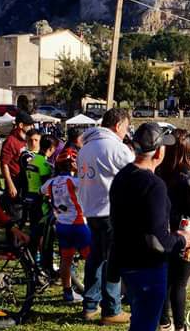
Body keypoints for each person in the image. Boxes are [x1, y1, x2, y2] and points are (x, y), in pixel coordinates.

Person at [109, 123, 190, 331]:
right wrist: (182, 238)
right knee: (145, 323)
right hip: (147, 267)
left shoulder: (122, 176)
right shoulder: (154, 184)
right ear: (158, 151)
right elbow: (157, 241)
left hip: (126, 262)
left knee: (140, 319)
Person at [77, 108, 134, 324]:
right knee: (114, 261)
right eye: (126, 128)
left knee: (96, 259)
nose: (126, 133)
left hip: (91, 210)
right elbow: (136, 172)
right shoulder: (115, 147)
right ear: (118, 125)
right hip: (111, 211)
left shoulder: (86, 147)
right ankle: (111, 310)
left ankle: (90, 306)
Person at [155, 129, 190, 331]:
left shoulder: (159, 169)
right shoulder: (187, 171)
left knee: (166, 279)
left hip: (165, 228)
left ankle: (164, 321)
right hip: (185, 230)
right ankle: (180, 325)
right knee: (179, 283)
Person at [40, 154, 91, 303]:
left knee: (66, 260)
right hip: (78, 224)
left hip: (61, 224)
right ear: (70, 165)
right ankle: (94, 293)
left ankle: (67, 292)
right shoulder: (73, 180)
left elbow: (41, 191)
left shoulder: (51, 182)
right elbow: (88, 184)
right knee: (93, 260)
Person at [0, 111, 35, 198]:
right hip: (15, 182)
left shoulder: (28, 139)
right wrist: (10, 184)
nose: (32, 127)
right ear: (21, 125)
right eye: (29, 125)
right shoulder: (10, 141)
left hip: (27, 181)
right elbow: (4, 164)